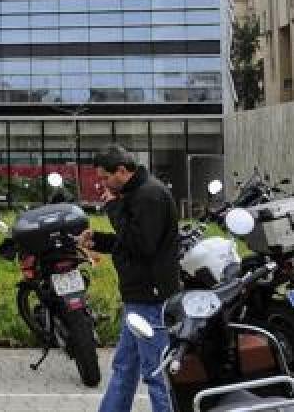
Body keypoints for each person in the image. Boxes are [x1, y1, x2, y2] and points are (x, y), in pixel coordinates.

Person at [79, 144, 179, 412]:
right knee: (124, 367)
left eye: (104, 178)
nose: (102, 185)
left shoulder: (149, 196)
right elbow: (130, 241)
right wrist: (98, 241)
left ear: (122, 171)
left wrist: (113, 208)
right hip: (138, 297)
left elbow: (142, 245)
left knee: (156, 372)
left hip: (150, 298)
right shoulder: (137, 194)